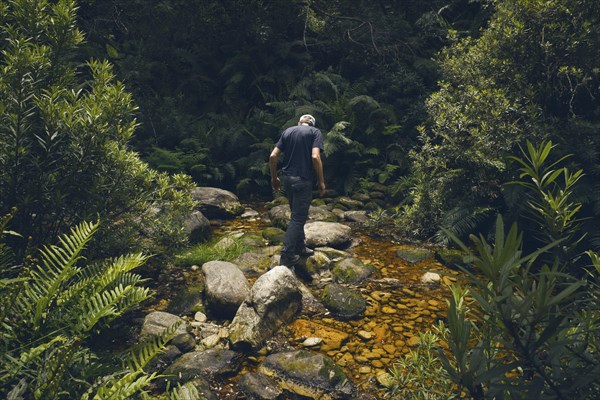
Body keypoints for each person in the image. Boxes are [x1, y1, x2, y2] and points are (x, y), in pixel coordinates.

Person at [269, 114, 326, 267]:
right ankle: (287, 255)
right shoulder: (315, 133)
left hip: (287, 179)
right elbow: (315, 157)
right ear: (312, 124)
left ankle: (300, 247)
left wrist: (274, 178)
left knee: (296, 216)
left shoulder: (287, 132)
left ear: (299, 122)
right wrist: (321, 181)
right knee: (298, 219)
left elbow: (273, 156)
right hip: (303, 180)